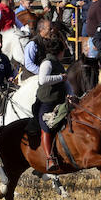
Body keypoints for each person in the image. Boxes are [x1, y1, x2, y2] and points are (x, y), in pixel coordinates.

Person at [32, 32, 70, 173]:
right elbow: (43, 80)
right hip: (45, 102)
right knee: (47, 127)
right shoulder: (47, 63)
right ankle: (49, 157)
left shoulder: (58, 64)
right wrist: (60, 77)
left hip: (59, 101)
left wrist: (71, 95)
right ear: (59, 51)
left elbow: (66, 83)